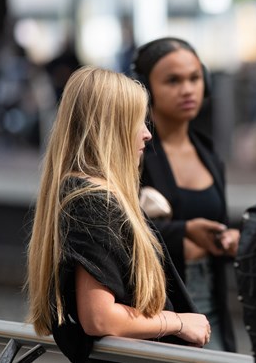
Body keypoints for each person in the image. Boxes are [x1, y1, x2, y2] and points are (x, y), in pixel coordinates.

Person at [26, 66, 211, 362]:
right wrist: (178, 322)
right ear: (111, 127)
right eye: (138, 122)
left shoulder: (77, 190)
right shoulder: (92, 202)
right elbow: (98, 318)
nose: (148, 134)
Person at [131, 37, 238, 352]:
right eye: (173, 81)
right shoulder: (136, 151)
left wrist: (229, 238)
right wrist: (185, 231)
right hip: (157, 310)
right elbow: (119, 232)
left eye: (194, 78)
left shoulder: (208, 151)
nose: (188, 89)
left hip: (210, 301)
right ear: (145, 88)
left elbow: (218, 219)